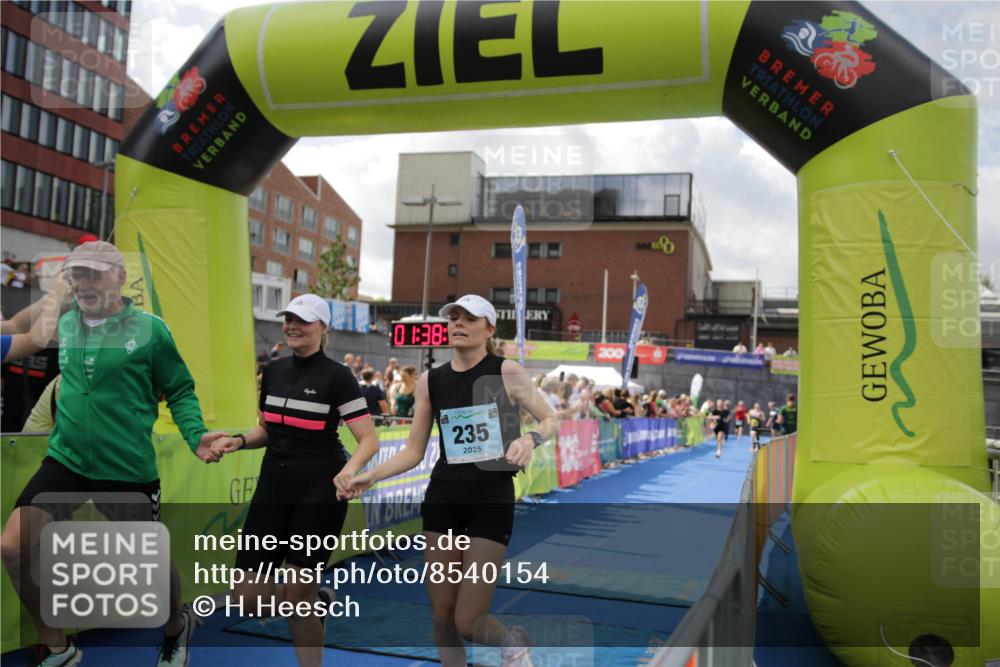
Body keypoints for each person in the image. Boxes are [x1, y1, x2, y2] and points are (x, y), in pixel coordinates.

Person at [0, 241, 228, 667]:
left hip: (125, 469)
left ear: (121, 278)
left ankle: (176, 626)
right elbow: (24, 333)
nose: (84, 283)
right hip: (65, 462)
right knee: (13, 547)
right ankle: (58, 646)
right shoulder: (66, 324)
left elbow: (178, 388)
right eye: (78, 274)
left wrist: (195, 435)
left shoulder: (151, 330)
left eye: (94, 273)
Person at [339, 294, 558, 667]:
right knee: (442, 618)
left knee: (468, 620)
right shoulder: (430, 380)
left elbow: (551, 419)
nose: (458, 324)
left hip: (490, 503)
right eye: (453, 317)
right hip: (443, 502)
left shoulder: (507, 372)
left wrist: (528, 439)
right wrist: (369, 476)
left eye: (469, 319)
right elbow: (412, 450)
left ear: (489, 329)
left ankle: (511, 643)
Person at [211, 293, 379, 667]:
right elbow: (265, 432)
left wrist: (351, 470)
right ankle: (317, 600)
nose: (292, 326)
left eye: (301, 320)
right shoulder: (273, 370)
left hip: (319, 488)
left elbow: (369, 439)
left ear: (322, 327)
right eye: (288, 318)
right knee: (247, 599)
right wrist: (236, 441)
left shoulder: (339, 376)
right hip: (274, 484)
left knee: (296, 598)